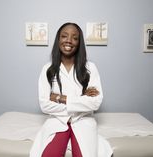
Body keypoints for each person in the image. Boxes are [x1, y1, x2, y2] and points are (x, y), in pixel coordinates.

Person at [29, 22, 113, 157]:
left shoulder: (90, 68)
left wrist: (60, 98)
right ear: (58, 40)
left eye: (75, 37)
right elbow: (45, 105)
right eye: (64, 36)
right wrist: (80, 100)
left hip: (83, 121)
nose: (69, 40)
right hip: (58, 120)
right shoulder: (48, 69)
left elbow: (95, 102)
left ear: (79, 43)